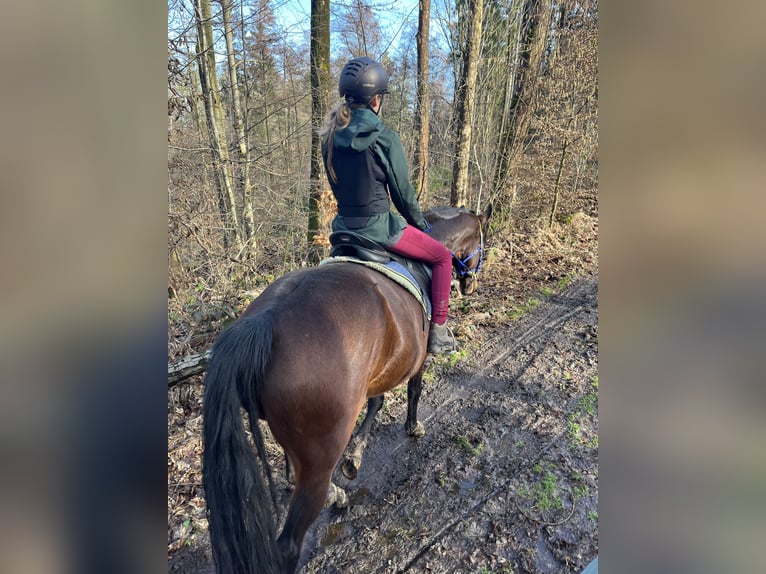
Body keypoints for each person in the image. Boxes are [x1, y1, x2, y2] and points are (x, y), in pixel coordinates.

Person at [320, 56, 455, 354]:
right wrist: (420, 224)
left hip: (343, 230)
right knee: (443, 258)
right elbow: (403, 195)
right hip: (380, 229)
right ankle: (439, 333)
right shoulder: (384, 138)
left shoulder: (328, 138)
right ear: (376, 100)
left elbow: (336, 186)